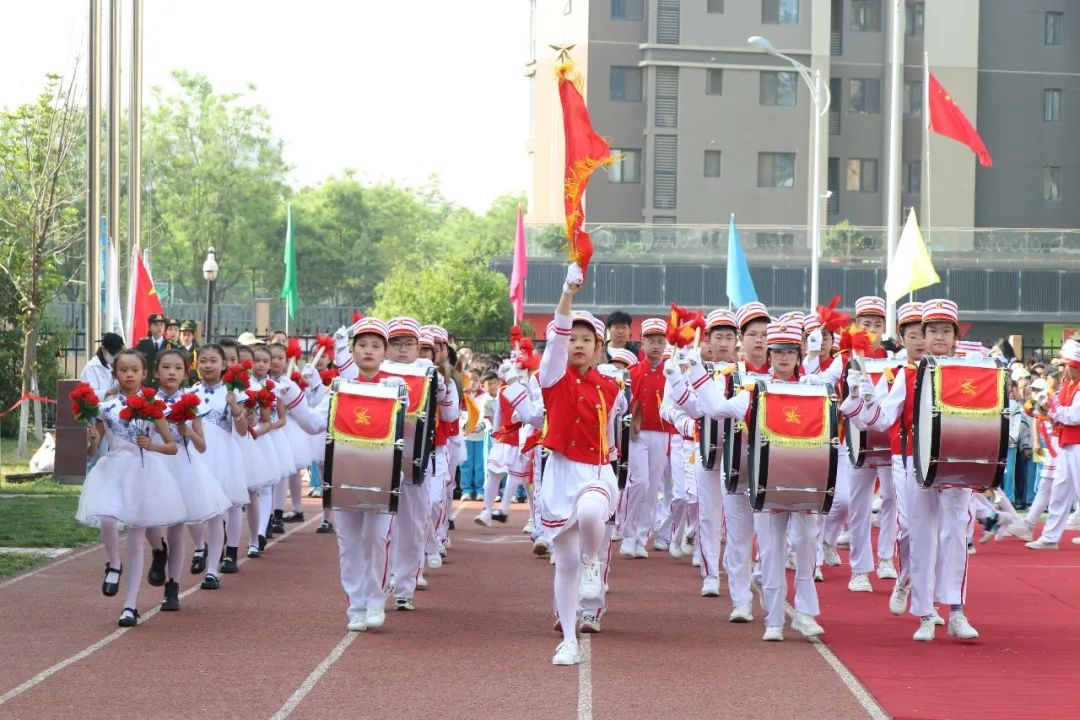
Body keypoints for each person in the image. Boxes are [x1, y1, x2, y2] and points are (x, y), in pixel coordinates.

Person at [855, 299, 981, 642]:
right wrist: (860, 401)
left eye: (945, 331)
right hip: (916, 465)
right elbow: (882, 419)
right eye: (932, 331)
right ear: (923, 335)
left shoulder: (970, 373)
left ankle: (956, 611)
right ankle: (926, 614)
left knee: (955, 535)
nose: (938, 337)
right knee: (921, 536)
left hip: (956, 468)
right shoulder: (907, 374)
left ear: (955, 337)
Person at [540, 262, 623, 666]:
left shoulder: (611, 385)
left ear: (598, 347)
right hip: (560, 472)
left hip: (595, 471)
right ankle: (569, 638)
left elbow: (611, 425)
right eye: (572, 337)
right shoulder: (552, 377)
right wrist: (567, 292)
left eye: (586, 339)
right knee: (565, 561)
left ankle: (595, 561)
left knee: (593, 512)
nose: (576, 344)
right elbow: (555, 338)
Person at [76, 349, 184, 627]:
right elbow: (92, 450)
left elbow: (172, 446)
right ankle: (113, 563)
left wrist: (153, 445)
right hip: (113, 470)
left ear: (144, 374)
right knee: (107, 520)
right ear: (115, 373)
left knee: (137, 539)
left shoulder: (153, 405)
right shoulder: (106, 407)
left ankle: (130, 605)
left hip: (144, 472)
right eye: (123, 370)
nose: (129, 375)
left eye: (135, 370)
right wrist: (90, 440)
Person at [621, 317, 675, 558]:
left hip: (663, 434)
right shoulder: (631, 373)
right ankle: (628, 534)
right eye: (651, 340)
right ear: (642, 343)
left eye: (660, 341)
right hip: (638, 434)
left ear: (665, 344)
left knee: (653, 487)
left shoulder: (672, 373)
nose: (655, 345)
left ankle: (642, 538)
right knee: (640, 482)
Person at [80, 333, 125, 400]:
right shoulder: (91, 367)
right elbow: (89, 395)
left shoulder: (116, 365)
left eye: (118, 353)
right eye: (113, 353)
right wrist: (109, 392)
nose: (115, 356)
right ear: (103, 349)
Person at [134, 313, 175, 378]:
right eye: (156, 325)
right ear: (150, 327)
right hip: (146, 383)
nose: (159, 327)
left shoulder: (172, 346)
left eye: (161, 325)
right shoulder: (142, 345)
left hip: (164, 382)